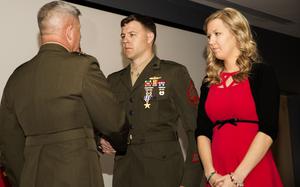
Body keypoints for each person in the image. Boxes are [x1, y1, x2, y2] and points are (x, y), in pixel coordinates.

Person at [0, 1, 126, 187]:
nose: (80, 37)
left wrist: (25, 179)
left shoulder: (16, 78)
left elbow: (8, 145)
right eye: (79, 31)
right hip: (78, 178)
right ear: (69, 31)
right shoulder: (83, 67)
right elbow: (114, 123)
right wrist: (122, 145)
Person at [99, 14, 203, 187]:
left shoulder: (173, 73)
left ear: (149, 37)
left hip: (163, 173)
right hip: (125, 173)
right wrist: (100, 140)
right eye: (123, 36)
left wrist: (190, 181)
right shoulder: (114, 80)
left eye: (132, 35)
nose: (125, 40)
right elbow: (100, 121)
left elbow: (196, 130)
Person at [195, 7, 283, 187]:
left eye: (217, 33)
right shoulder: (208, 82)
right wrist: (211, 174)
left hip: (253, 169)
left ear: (237, 34)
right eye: (208, 36)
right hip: (217, 175)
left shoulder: (261, 73)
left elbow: (269, 129)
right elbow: (202, 132)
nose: (211, 41)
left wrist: (237, 177)